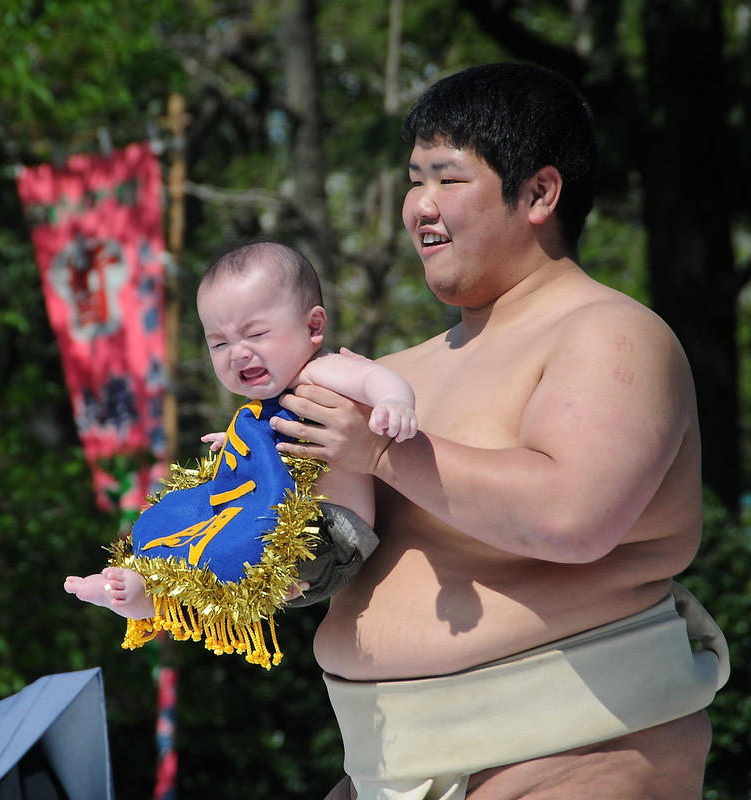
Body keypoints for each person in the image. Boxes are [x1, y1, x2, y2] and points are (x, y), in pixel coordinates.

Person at [270, 63, 730, 799]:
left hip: (578, 754)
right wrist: (229, 539)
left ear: (540, 193)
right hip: (385, 764)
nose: (419, 204)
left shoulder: (611, 335)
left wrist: (384, 449)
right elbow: (330, 553)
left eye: (448, 180)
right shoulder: (391, 373)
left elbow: (571, 517)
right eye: (413, 178)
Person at [65, 240, 417, 623]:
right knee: (180, 512)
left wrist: (393, 403)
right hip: (270, 516)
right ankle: (147, 590)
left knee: (241, 546)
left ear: (313, 326)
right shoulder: (261, 402)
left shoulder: (319, 370)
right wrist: (239, 445)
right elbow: (271, 445)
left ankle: (197, 590)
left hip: (328, 536)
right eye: (219, 343)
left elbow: (375, 377)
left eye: (256, 334)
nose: (238, 352)